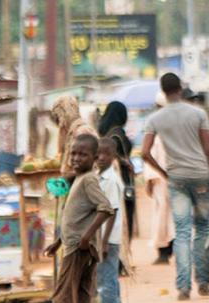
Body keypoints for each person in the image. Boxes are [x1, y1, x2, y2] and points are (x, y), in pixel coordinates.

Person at [142, 73, 209, 300]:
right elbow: (207, 149)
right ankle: (203, 283)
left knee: (182, 232)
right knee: (203, 228)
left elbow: (145, 152)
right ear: (181, 88)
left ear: (163, 91)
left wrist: (164, 172)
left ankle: (183, 287)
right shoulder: (198, 113)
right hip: (201, 176)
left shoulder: (155, 119)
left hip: (176, 178)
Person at [44, 134, 112, 303]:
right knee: (83, 301)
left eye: (82, 154)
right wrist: (58, 241)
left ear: (94, 158)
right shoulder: (80, 179)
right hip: (74, 245)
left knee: (62, 301)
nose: (75, 158)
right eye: (73, 153)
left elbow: (105, 208)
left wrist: (85, 237)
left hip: (78, 249)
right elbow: (78, 215)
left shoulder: (88, 181)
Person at [95, 138, 126, 303]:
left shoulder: (110, 180)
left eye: (106, 154)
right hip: (106, 237)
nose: (101, 158)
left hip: (108, 238)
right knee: (111, 279)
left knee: (104, 282)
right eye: (98, 154)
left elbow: (112, 211)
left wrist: (104, 242)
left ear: (113, 156)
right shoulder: (101, 177)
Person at [97, 101, 135, 241]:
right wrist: (125, 161)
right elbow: (114, 155)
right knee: (125, 215)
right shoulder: (118, 133)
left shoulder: (106, 133)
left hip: (109, 179)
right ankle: (121, 255)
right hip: (122, 180)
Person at [143, 94, 174, 264]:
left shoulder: (158, 126)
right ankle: (165, 251)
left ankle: (165, 252)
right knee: (165, 217)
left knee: (167, 218)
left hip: (165, 179)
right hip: (163, 180)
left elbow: (147, 154)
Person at [52, 95, 98, 177]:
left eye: (58, 117)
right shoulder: (73, 131)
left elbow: (86, 167)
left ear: (63, 115)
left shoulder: (81, 131)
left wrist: (66, 179)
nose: (59, 124)